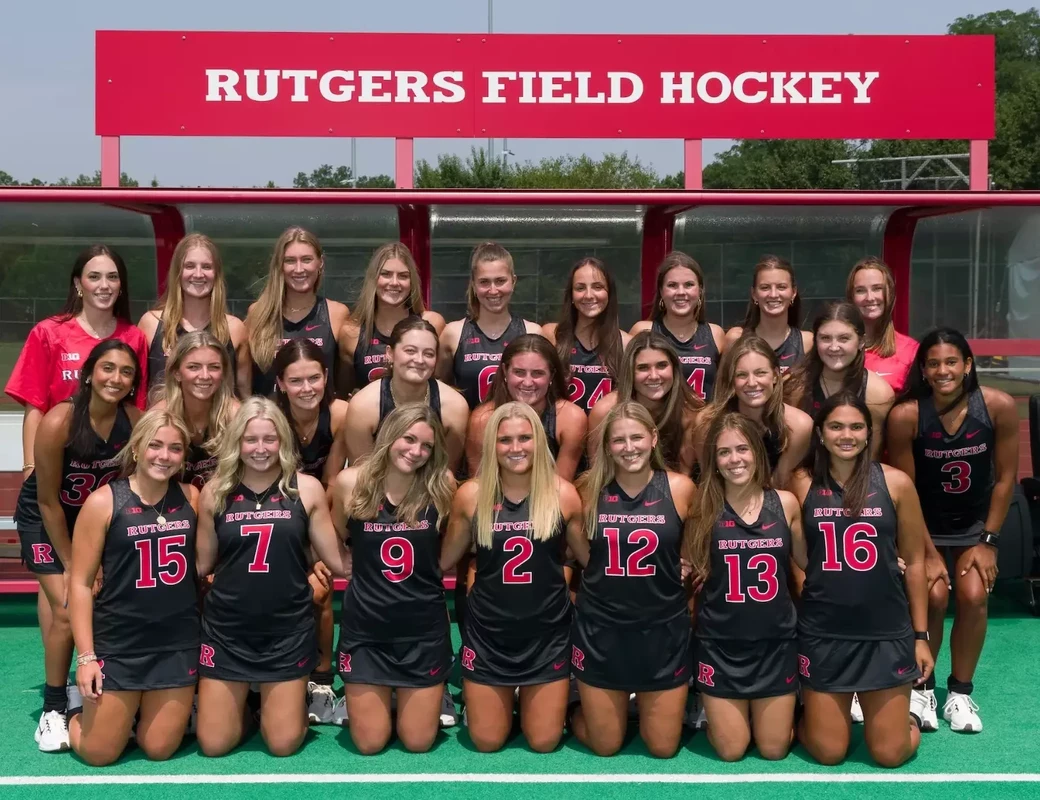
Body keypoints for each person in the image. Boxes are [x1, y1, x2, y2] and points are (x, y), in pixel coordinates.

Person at [193, 398, 350, 757]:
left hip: (286, 630)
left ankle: (279, 706)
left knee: (282, 744)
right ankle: (251, 707)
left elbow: (336, 559)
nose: (260, 448)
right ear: (236, 442)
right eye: (250, 439)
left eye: (269, 439)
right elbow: (201, 564)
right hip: (228, 629)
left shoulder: (305, 488)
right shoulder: (215, 491)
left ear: (283, 440)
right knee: (214, 745)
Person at [886, 328, 1018, 733]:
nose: (942, 370)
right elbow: (906, 492)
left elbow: (1005, 479)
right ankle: (922, 688)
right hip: (923, 524)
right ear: (923, 370)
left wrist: (989, 542)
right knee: (934, 595)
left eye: (951, 362)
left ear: (967, 365)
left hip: (974, 526)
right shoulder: (907, 415)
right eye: (933, 364)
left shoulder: (997, 406)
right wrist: (924, 552)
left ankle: (959, 693)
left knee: (974, 596)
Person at [791, 393, 933, 768]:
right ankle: (803, 715)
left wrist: (920, 636)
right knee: (828, 752)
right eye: (836, 426)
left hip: (884, 632)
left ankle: (908, 717)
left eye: (856, 427)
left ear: (869, 433)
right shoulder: (801, 483)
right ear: (820, 434)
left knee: (889, 754)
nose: (846, 435)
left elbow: (915, 562)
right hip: (825, 633)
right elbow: (797, 553)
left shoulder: (896, 483)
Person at [15, 340, 141, 752]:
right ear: (89, 373)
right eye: (108, 368)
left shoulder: (133, 421)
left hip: (93, 521)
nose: (116, 378)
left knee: (106, 600)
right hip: (46, 520)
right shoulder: (60, 421)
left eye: (126, 372)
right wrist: (72, 565)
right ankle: (53, 707)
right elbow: (48, 501)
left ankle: (93, 688)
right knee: (68, 609)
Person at [441, 402, 586, 753]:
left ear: (539, 441)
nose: (516, 448)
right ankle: (500, 704)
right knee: (486, 741)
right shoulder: (471, 495)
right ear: (492, 445)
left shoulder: (563, 494)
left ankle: (569, 700)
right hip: (489, 634)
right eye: (505, 440)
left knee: (544, 742)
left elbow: (591, 561)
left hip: (547, 633)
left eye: (525, 438)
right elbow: (443, 560)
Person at [66, 410, 199, 765]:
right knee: (98, 754)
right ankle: (75, 713)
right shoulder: (103, 501)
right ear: (136, 448)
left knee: (158, 749)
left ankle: (132, 716)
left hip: (176, 642)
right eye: (155, 445)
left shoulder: (192, 497)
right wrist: (86, 658)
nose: (164, 456)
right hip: (120, 641)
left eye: (174, 448)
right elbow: (80, 584)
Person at [569, 402, 697, 758]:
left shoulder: (680, 488)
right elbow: (584, 555)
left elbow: (692, 544)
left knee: (663, 748)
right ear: (607, 447)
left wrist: (685, 564)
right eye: (619, 440)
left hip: (662, 630)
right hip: (603, 630)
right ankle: (572, 709)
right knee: (605, 746)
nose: (629, 447)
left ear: (653, 438)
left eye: (637, 437)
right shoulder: (587, 490)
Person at [329, 405, 457, 754]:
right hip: (367, 632)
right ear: (389, 436)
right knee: (369, 744)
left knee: (418, 742)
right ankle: (375, 698)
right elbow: (336, 533)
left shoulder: (441, 485)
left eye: (427, 446)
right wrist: (344, 565)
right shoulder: (351, 483)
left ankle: (423, 696)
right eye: (409, 439)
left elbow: (451, 543)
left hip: (422, 631)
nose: (416, 451)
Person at [687, 411, 806, 761]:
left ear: (757, 452)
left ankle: (791, 714)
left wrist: (882, 560)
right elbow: (689, 565)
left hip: (775, 644)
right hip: (721, 645)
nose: (734, 459)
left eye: (742, 449)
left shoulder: (785, 503)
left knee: (774, 750)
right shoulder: (702, 505)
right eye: (724, 452)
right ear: (714, 461)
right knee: (731, 750)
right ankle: (711, 709)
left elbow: (812, 563)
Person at [272, 338, 350, 724]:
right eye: (296, 380)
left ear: (326, 376)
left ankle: (321, 679)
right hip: (277, 513)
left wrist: (321, 550)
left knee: (322, 586)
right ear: (280, 383)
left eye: (314, 378)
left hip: (324, 513)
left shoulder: (340, 415)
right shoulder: (270, 418)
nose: (307, 388)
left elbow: (334, 483)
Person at [330, 317, 469, 477]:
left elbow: (445, 473)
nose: (419, 360)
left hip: (429, 486)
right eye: (410, 351)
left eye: (428, 354)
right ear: (390, 353)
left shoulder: (454, 407)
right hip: (375, 486)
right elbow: (362, 474)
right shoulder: (363, 405)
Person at [138, 234, 250, 398]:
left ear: (217, 273)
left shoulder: (234, 329)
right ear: (177, 271)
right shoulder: (151, 324)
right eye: (189, 266)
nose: (198, 274)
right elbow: (138, 394)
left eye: (206, 267)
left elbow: (244, 395)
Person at [694, 336, 812, 489]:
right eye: (741, 375)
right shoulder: (707, 422)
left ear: (775, 376)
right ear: (732, 380)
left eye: (760, 373)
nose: (751, 383)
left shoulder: (799, 426)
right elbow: (709, 481)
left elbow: (779, 483)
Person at [464, 335, 587, 481]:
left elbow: (561, 486)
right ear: (505, 371)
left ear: (551, 376)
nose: (528, 382)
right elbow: (479, 483)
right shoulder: (482, 419)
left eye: (537, 373)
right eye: (519, 372)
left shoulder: (570, 418)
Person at [246, 227, 350, 398]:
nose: (299, 269)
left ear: (320, 263)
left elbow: (345, 380)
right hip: (270, 413)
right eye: (290, 261)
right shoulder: (258, 313)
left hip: (320, 414)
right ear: (280, 265)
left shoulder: (337, 314)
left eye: (307, 259)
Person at [438, 242, 541, 410]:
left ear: (513, 281)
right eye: (484, 282)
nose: (493, 290)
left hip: (518, 425)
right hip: (469, 426)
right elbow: (440, 389)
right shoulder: (453, 334)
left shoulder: (531, 333)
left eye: (500, 281)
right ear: (473, 284)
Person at [785, 302, 894, 459]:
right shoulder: (795, 386)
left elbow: (872, 458)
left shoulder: (878, 394)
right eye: (825, 338)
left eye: (844, 338)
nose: (834, 347)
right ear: (815, 341)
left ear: (861, 341)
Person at [337, 242, 445, 395]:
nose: (394, 283)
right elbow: (345, 394)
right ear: (373, 279)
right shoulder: (351, 333)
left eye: (403, 276)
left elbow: (443, 385)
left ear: (412, 282)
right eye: (386, 274)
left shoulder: (433, 323)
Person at [587, 332, 701, 475]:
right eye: (643, 368)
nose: (654, 376)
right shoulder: (605, 411)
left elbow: (684, 476)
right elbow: (597, 473)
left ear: (674, 368)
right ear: (630, 372)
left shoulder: (690, 411)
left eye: (662, 366)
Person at [629, 251, 726, 401]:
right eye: (672, 285)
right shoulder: (643, 331)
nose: (681, 292)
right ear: (661, 291)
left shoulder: (716, 334)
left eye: (689, 285)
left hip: (705, 416)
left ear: (700, 290)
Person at [150, 331, 239, 489]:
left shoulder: (236, 415)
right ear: (177, 373)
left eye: (214, 367)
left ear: (223, 373)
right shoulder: (159, 416)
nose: (204, 376)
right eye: (193, 367)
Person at [542, 257, 631, 415]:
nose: (589, 295)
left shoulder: (625, 343)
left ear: (609, 293)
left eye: (597, 287)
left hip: (606, 429)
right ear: (571, 296)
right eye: (580, 288)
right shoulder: (552, 336)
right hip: (561, 429)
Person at [724, 255, 812, 374]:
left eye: (781, 287)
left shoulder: (807, 342)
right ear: (754, 294)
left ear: (793, 292)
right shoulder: (736, 338)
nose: (773, 294)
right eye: (765, 287)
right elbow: (724, 384)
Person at [846, 256, 918, 394]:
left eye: (877, 288)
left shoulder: (910, 350)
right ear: (851, 297)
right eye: (860, 290)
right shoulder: (837, 348)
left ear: (890, 293)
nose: (870, 297)